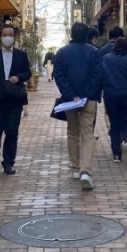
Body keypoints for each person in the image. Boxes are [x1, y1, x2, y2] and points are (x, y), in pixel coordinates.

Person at [53, 22, 103, 190]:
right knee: (88, 134)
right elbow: (97, 76)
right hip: (88, 99)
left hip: (70, 100)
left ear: (71, 34)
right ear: (87, 35)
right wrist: (87, 94)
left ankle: (75, 168)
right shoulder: (94, 52)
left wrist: (71, 94)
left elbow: (59, 75)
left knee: (73, 132)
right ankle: (86, 171)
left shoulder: (62, 53)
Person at [0, 25, 31, 175]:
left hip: (14, 99)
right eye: (5, 34)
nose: (8, 37)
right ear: (0, 37)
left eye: (10, 34)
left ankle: (8, 162)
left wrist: (19, 77)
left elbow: (27, 72)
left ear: (14, 37)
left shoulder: (21, 55)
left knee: (12, 131)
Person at [101, 37, 127, 165]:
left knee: (114, 124)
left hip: (111, 95)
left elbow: (103, 77)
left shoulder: (106, 58)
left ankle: (116, 154)